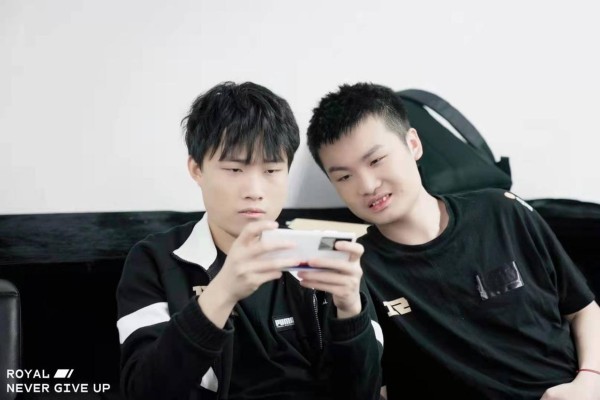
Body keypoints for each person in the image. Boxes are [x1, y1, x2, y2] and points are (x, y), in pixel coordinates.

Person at [306, 82, 600, 400]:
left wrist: (589, 381)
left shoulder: (502, 211)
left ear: (413, 144)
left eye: (376, 160)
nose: (367, 185)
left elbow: (583, 310)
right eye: (344, 177)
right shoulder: (356, 271)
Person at [116, 81, 383, 400]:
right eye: (234, 169)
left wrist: (351, 310)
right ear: (196, 169)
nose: (254, 191)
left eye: (271, 170)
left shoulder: (321, 254)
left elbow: (363, 393)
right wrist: (223, 292)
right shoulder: (156, 260)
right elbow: (144, 391)